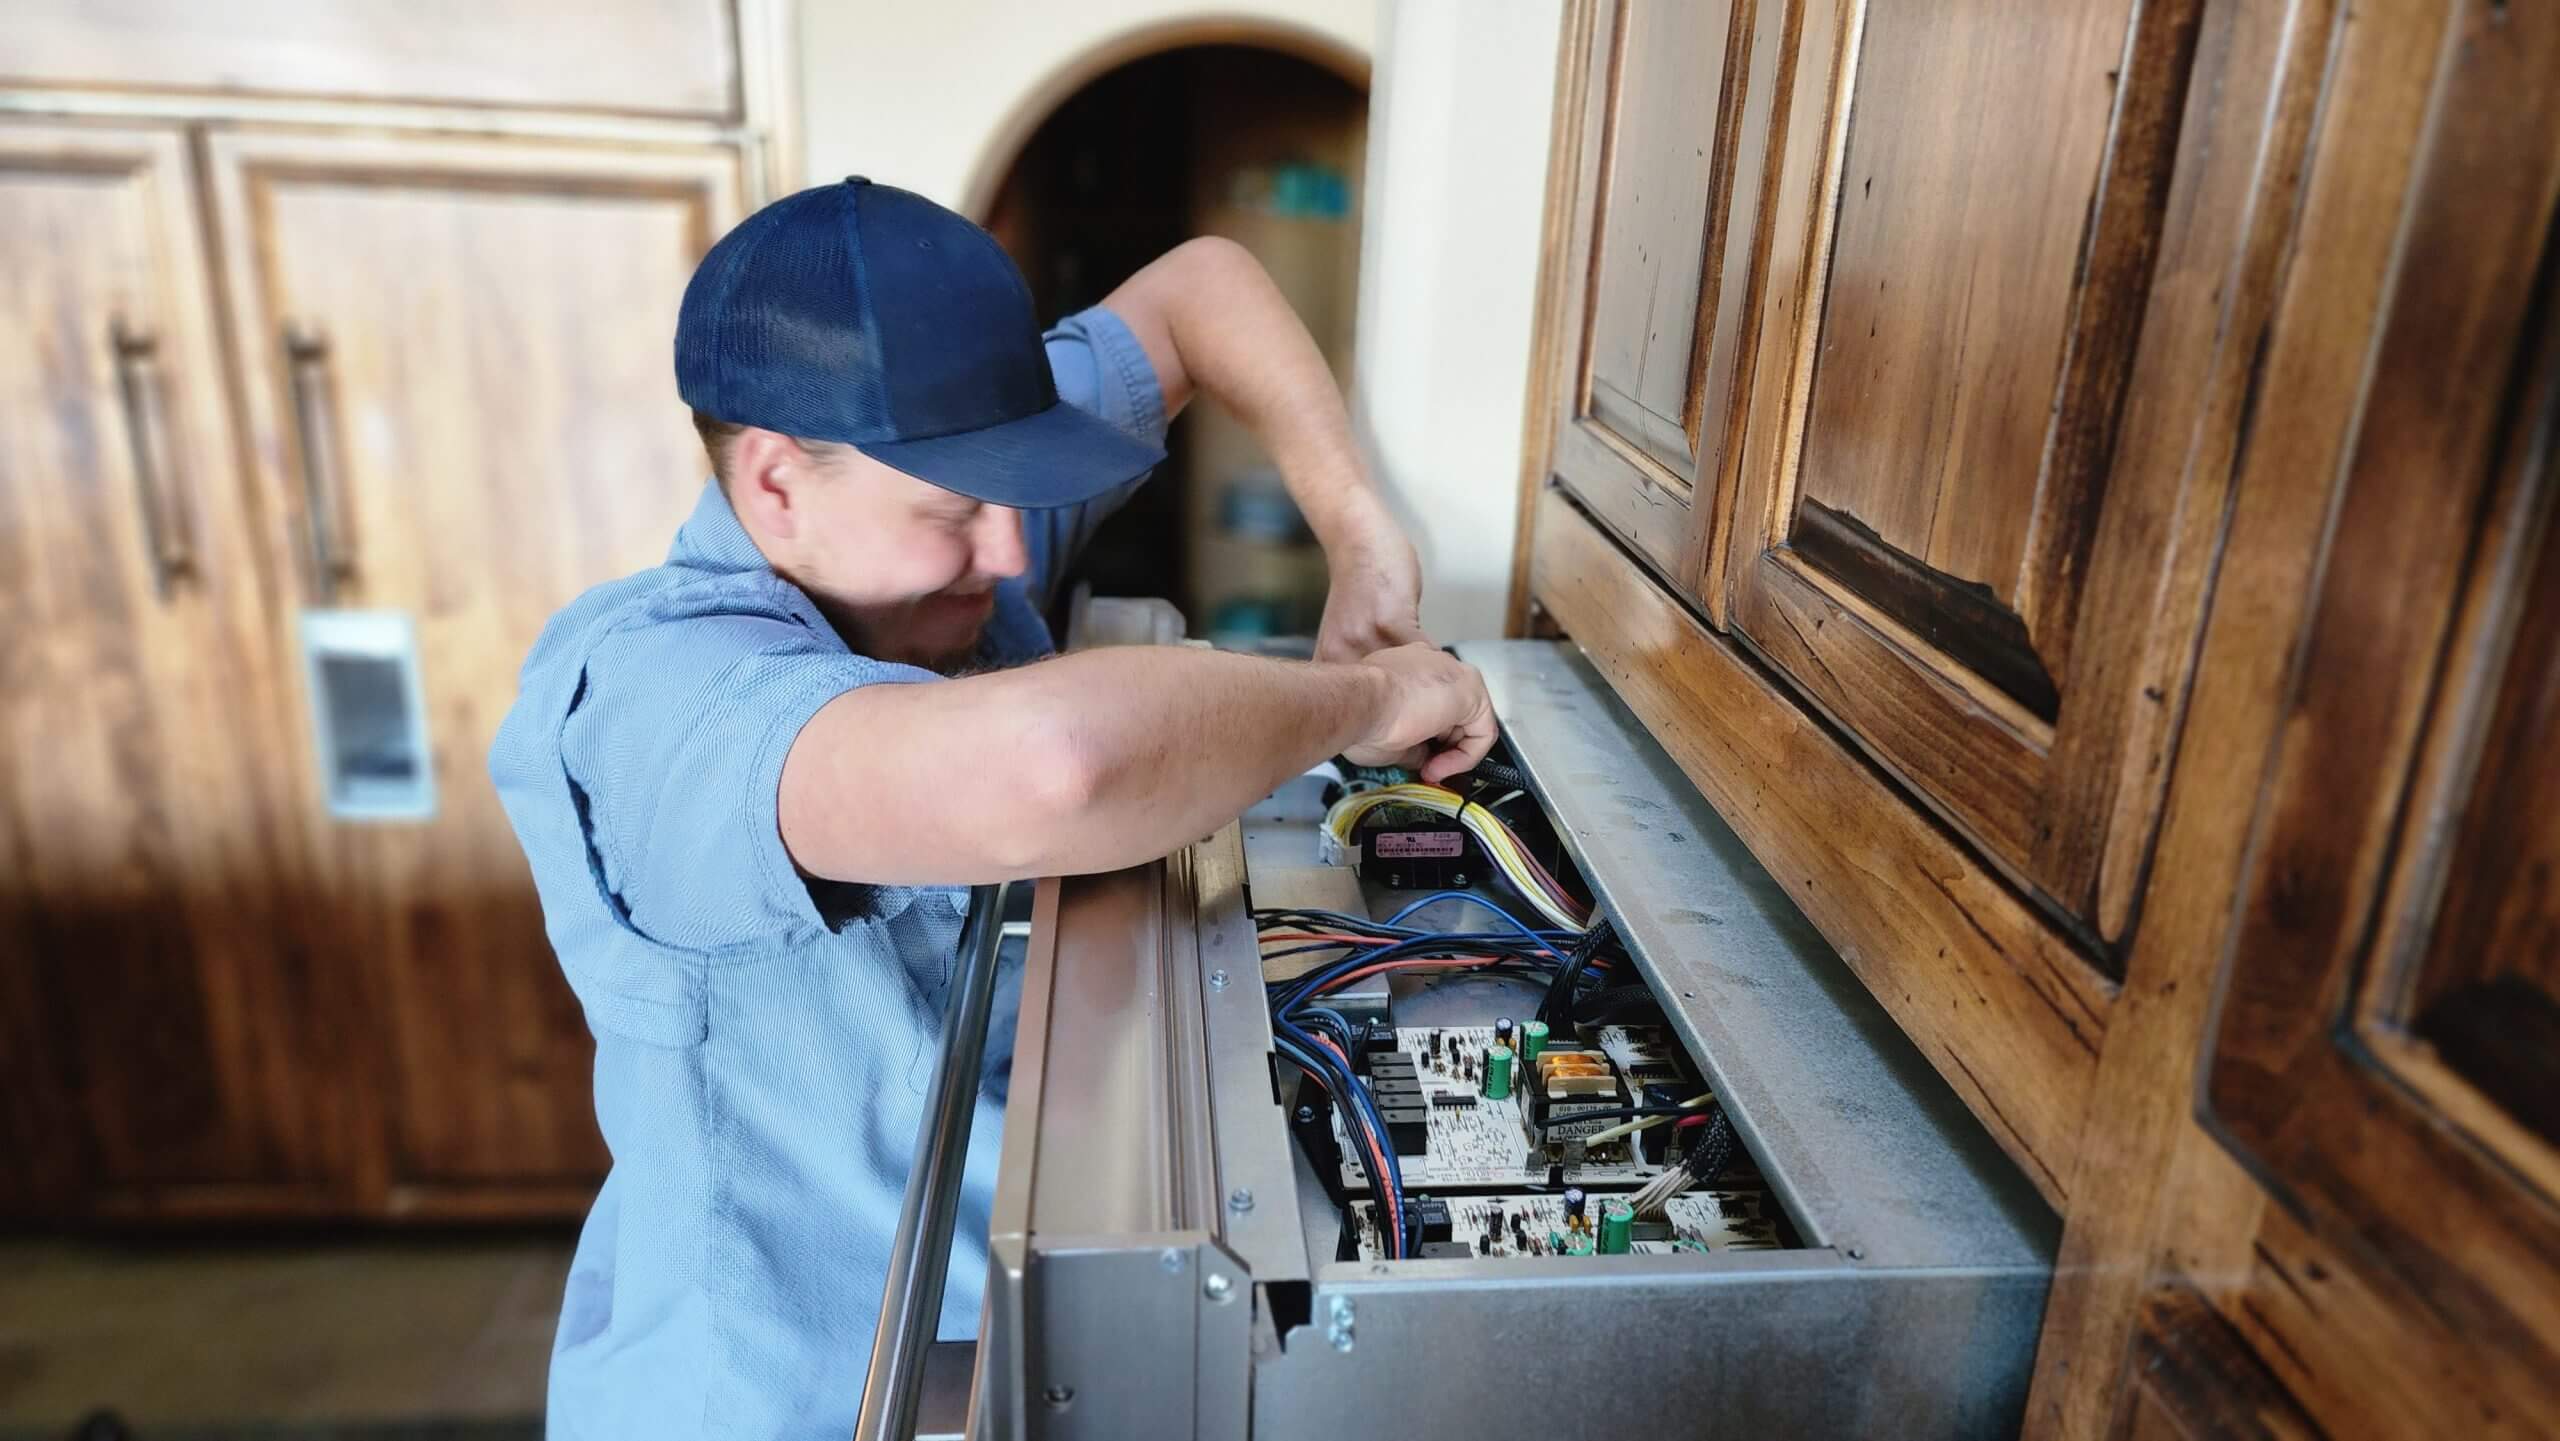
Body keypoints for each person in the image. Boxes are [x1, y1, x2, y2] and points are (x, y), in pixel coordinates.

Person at [488, 177, 1496, 1438]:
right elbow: (1050, 767)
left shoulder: (927, 516)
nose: (1013, 550)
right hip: (792, 1385)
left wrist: (1358, 533)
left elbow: (1200, 291)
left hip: (1017, 1323)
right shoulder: (657, 700)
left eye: (1014, 489)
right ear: (775, 484)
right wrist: (1362, 697)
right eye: (956, 511)